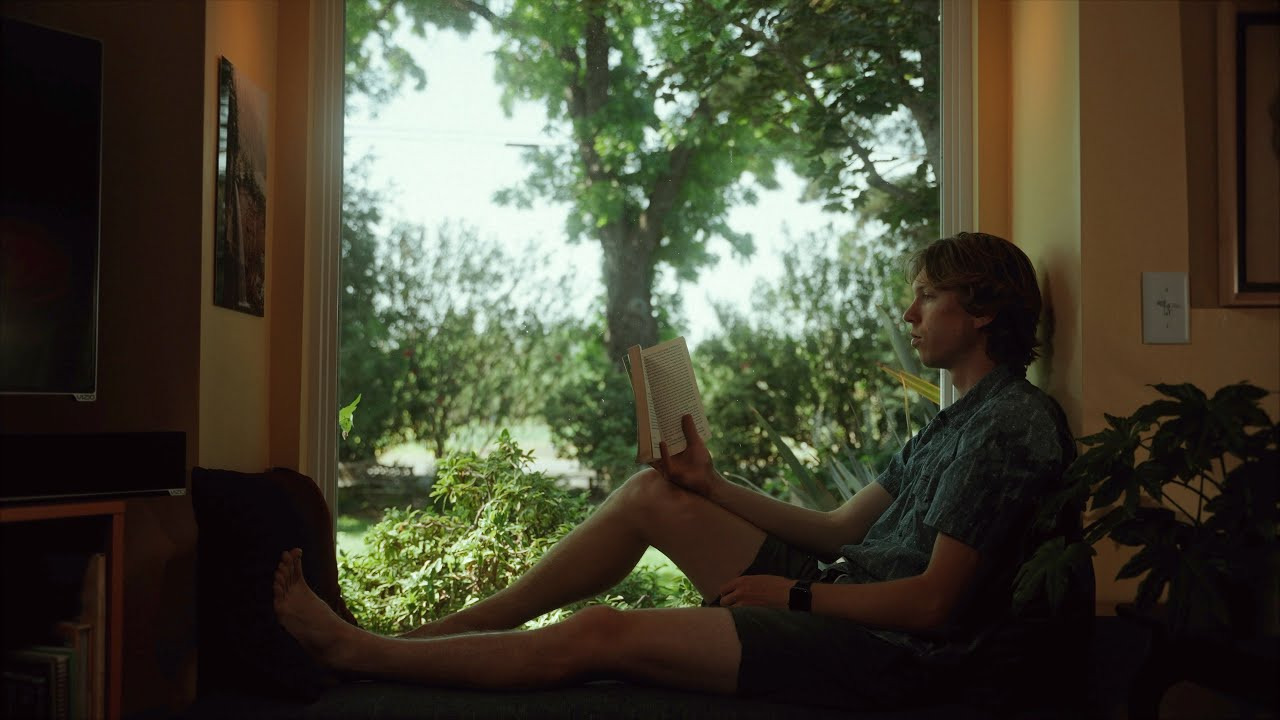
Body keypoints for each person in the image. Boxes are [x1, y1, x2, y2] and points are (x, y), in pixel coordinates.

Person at [273, 231, 1077, 710]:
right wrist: (711, 483)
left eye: (927, 296)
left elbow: (934, 604)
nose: (909, 313)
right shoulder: (955, 419)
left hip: (893, 650)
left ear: (980, 311)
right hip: (847, 589)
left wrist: (792, 596)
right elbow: (838, 529)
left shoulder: (1013, 424)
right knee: (655, 491)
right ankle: (447, 632)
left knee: (600, 632)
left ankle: (359, 655)